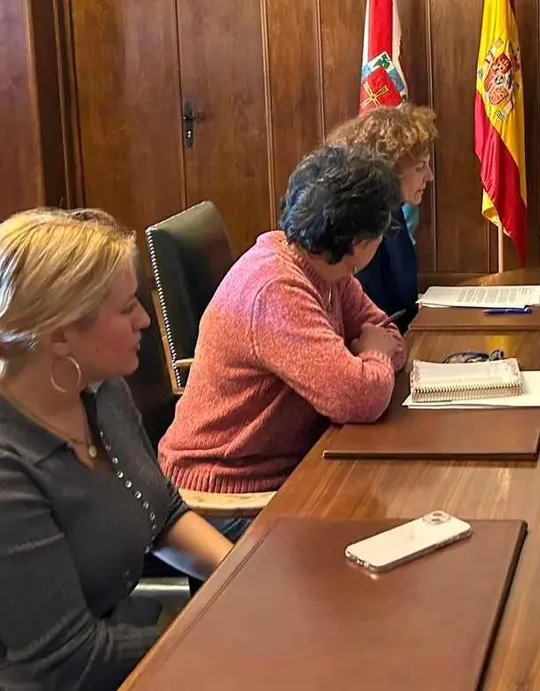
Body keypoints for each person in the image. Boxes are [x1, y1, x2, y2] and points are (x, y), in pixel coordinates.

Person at [0, 209, 232, 689]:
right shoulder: (9, 467)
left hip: (130, 643)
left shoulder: (98, 386)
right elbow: (68, 659)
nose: (145, 319)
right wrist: (222, 630)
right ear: (59, 334)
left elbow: (160, 509)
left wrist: (242, 578)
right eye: (126, 308)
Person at [159, 146, 407, 537]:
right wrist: (371, 354)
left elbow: (387, 333)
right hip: (228, 492)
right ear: (360, 241)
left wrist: (371, 356)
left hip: (287, 467)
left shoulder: (326, 267)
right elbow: (358, 397)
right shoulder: (277, 287)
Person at [326, 103, 439, 331]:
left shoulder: (392, 210)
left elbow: (401, 303)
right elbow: (366, 323)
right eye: (420, 167)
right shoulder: (360, 225)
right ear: (389, 170)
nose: (430, 176)